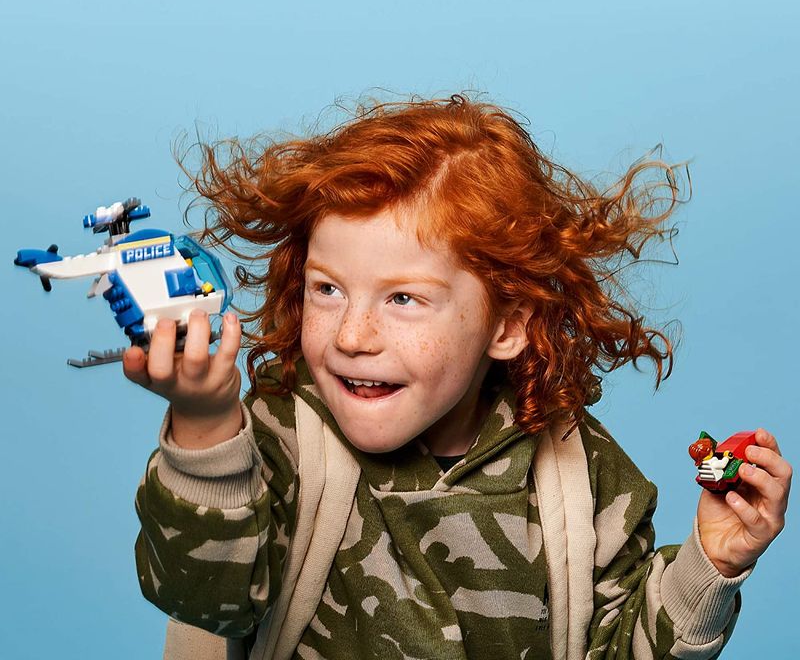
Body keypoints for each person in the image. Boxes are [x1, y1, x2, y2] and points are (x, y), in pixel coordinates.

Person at [128, 95, 791, 659]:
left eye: (403, 299)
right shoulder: (281, 438)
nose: (352, 336)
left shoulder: (581, 476)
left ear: (506, 326)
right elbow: (202, 597)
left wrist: (712, 563)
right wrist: (205, 426)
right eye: (327, 289)